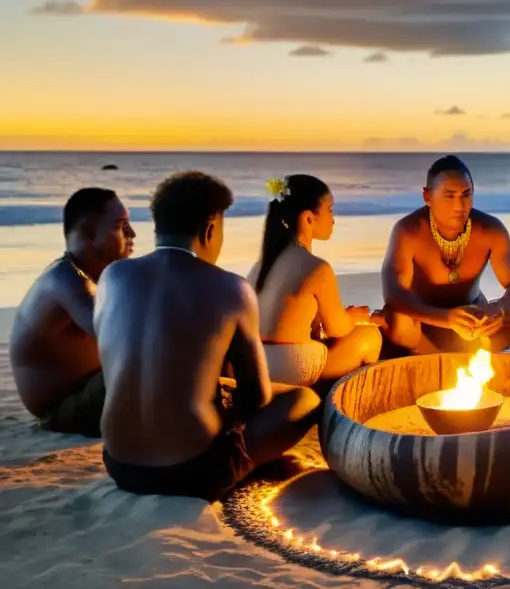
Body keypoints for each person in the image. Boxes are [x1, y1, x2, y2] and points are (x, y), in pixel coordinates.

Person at [97, 171, 320, 502]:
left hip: (120, 465)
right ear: (210, 230)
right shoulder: (232, 288)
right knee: (305, 400)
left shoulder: (112, 276)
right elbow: (257, 396)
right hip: (193, 471)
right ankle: (248, 466)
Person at [10, 188, 134, 437]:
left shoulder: (90, 277)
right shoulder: (66, 280)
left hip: (89, 392)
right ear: (88, 232)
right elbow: (116, 335)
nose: (131, 234)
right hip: (63, 411)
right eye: (121, 226)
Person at [380, 155, 510, 355]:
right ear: (428, 197)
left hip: (471, 323)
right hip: (423, 324)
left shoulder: (491, 229)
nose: (459, 206)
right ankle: (436, 357)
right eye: (449, 196)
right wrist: (446, 318)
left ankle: (475, 353)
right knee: (399, 321)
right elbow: (394, 294)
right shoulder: (408, 231)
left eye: (466, 195)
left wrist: (500, 310)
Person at [247, 174, 382, 390]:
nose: (333, 219)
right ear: (309, 218)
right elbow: (339, 329)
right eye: (330, 210)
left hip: (256, 363)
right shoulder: (316, 268)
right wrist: (354, 317)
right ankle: (348, 401)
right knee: (369, 336)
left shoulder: (260, 266)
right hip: (291, 367)